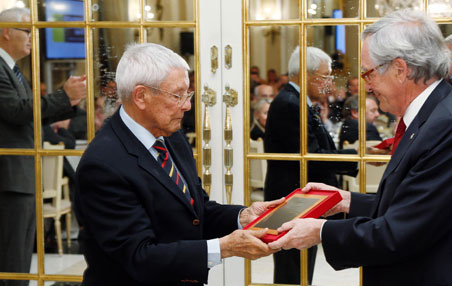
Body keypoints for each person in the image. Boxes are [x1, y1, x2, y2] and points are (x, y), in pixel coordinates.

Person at [268, 10, 452, 285]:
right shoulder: (437, 113)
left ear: (400, 69)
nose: (368, 87)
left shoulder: (449, 126)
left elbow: (400, 232)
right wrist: (345, 200)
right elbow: (413, 204)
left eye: (369, 73)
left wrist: (321, 232)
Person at [74, 43, 282, 285]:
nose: (187, 105)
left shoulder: (169, 136)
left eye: (188, 94)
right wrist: (224, 247)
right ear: (141, 96)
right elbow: (139, 256)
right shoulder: (103, 165)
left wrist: (243, 216)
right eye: (177, 95)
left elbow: (196, 210)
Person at [0, 8, 86, 285]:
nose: (32, 38)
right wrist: (63, 96)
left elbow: (29, 116)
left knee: (21, 255)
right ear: (5, 32)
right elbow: (16, 111)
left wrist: (68, 101)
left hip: (20, 175)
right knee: (12, 258)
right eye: (27, 31)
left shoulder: (11, 68)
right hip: (9, 177)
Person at [263, 46, 358, 285]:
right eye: (325, 76)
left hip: (301, 198)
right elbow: (311, 156)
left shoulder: (297, 101)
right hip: (292, 199)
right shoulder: (289, 104)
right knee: (292, 271)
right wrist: (355, 156)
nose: (328, 83)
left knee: (300, 268)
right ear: (305, 74)